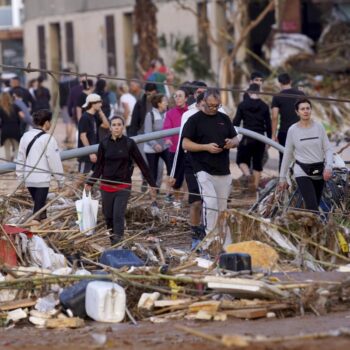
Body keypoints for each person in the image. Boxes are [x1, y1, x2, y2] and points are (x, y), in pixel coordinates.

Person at [85, 116, 157, 245]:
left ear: (123, 127)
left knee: (118, 215)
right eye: (114, 125)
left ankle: (118, 242)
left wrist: (152, 184)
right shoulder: (104, 143)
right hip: (106, 186)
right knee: (108, 216)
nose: (116, 127)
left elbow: (142, 164)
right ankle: (113, 240)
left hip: (123, 186)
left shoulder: (129, 143)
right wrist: (90, 182)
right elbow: (99, 167)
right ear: (110, 127)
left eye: (119, 124)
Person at [182, 88, 239, 247]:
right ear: (203, 103)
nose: (213, 108)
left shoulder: (224, 118)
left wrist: (232, 142)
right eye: (210, 105)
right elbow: (185, 144)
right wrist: (206, 147)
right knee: (210, 203)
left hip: (222, 168)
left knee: (222, 207)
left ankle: (224, 242)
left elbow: (235, 138)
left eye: (217, 105)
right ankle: (209, 241)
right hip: (202, 168)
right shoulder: (194, 120)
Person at [278, 98, 333, 213]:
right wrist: (282, 177)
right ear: (297, 112)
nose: (306, 111)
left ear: (311, 110)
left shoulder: (319, 127)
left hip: (319, 169)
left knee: (315, 205)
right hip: (301, 170)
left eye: (308, 108)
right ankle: (315, 230)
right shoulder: (292, 130)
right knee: (312, 207)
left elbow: (328, 149)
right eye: (302, 109)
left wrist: (328, 167)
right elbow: (287, 154)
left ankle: (310, 229)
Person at [169, 92, 207, 249]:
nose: (209, 108)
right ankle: (195, 233)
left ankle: (209, 232)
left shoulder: (220, 115)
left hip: (212, 166)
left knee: (210, 202)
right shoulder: (189, 117)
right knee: (196, 200)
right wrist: (174, 174)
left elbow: (234, 135)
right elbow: (181, 145)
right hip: (191, 163)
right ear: (197, 104)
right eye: (205, 104)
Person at [16, 109, 64, 224]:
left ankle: (43, 236)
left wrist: (20, 178)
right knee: (37, 214)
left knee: (41, 210)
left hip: (28, 180)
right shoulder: (48, 139)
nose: (51, 124)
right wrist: (60, 180)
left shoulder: (25, 136)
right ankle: (33, 237)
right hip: (42, 181)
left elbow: (20, 159)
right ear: (46, 122)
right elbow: (54, 161)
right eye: (50, 121)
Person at [233, 83, 272, 191]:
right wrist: (269, 140)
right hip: (260, 138)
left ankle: (248, 175)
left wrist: (232, 135)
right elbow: (268, 124)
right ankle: (254, 188)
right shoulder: (264, 106)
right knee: (257, 164)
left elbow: (236, 121)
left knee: (240, 159)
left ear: (249, 92)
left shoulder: (242, 105)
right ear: (259, 92)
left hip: (247, 137)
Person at [271, 73, 305, 169]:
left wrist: (274, 134)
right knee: (302, 157)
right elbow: (307, 112)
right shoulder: (301, 94)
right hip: (301, 130)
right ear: (290, 81)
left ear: (279, 83)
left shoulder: (277, 96)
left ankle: (283, 181)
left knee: (284, 157)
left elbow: (274, 116)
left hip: (284, 131)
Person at [162, 88, 188, 196]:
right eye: (176, 96)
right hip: (175, 150)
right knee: (175, 179)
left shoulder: (190, 112)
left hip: (189, 149)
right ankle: (177, 201)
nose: (177, 98)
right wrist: (168, 139)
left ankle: (188, 199)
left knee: (190, 175)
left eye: (180, 95)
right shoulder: (170, 113)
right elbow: (166, 127)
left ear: (186, 98)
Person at [77, 93, 110, 174]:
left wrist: (100, 112)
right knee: (81, 177)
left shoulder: (94, 116)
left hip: (95, 151)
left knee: (97, 175)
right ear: (92, 103)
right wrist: (90, 153)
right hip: (86, 154)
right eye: (99, 102)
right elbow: (83, 136)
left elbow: (106, 125)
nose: (101, 104)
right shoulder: (85, 117)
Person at [143, 93, 172, 185]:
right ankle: (154, 196)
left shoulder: (168, 114)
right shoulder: (150, 115)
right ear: (159, 103)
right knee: (153, 173)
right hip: (151, 149)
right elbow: (147, 133)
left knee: (171, 168)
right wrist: (154, 144)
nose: (167, 103)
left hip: (165, 146)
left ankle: (169, 193)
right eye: (165, 101)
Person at [0, 92, 25, 161]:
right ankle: (16, 162)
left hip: (5, 130)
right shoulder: (15, 106)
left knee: (7, 148)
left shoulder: (0, 108)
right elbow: (23, 116)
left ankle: (8, 165)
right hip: (15, 129)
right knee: (17, 147)